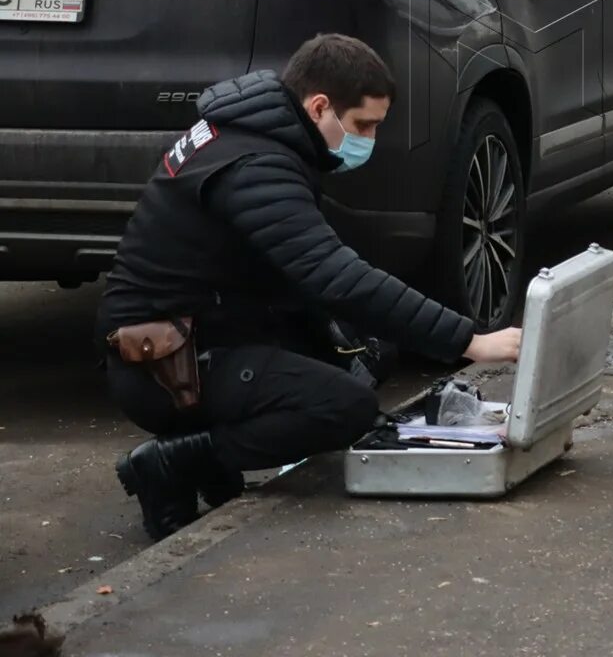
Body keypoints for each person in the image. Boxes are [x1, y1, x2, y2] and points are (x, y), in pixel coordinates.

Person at [98, 34, 523, 540]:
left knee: (367, 355)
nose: (368, 137)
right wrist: (468, 341)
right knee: (344, 407)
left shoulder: (250, 134)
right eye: (363, 124)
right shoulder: (255, 164)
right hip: (163, 364)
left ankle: (209, 457)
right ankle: (175, 464)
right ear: (319, 106)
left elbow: (294, 271)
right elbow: (333, 274)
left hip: (200, 331)